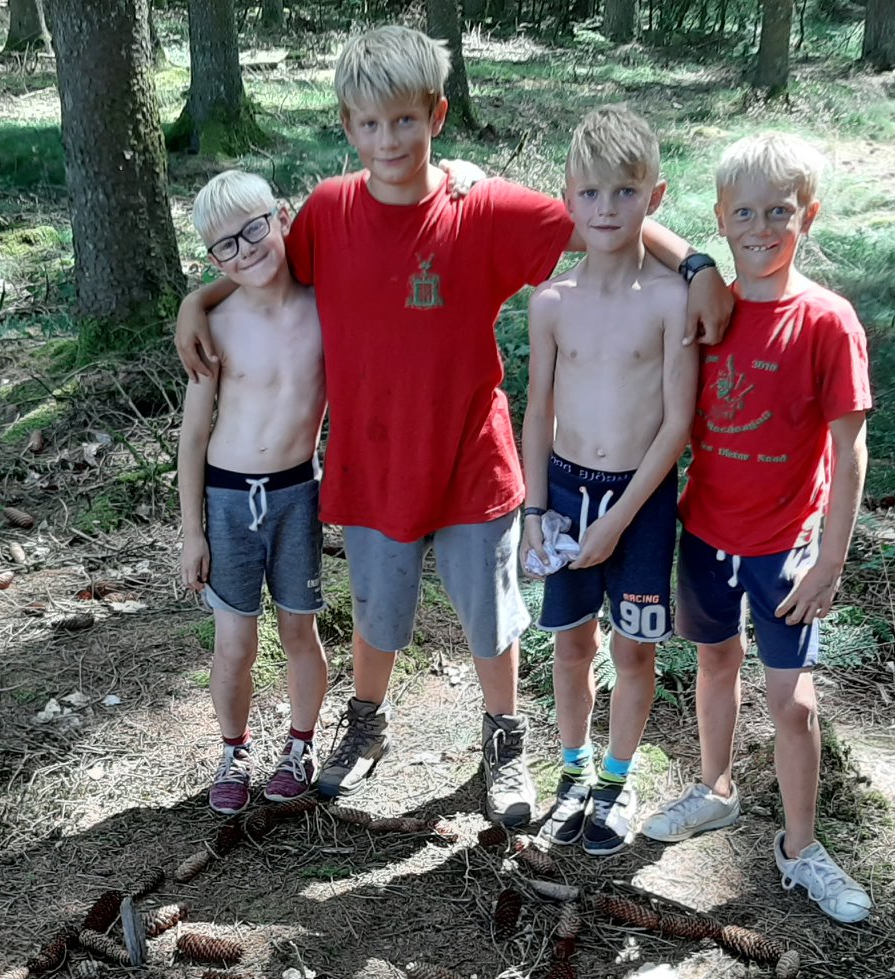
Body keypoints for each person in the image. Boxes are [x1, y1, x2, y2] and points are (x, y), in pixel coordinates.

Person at [175, 25, 731, 827]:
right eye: (369, 124)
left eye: (405, 119)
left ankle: (502, 738)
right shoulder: (330, 212)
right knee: (377, 611)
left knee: (490, 616)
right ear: (347, 126)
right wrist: (199, 300)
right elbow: (260, 271)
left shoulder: (486, 209)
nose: (388, 139)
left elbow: (601, 219)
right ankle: (365, 724)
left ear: (437, 114)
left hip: (473, 461)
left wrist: (696, 263)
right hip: (373, 464)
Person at [639, 133, 874, 923]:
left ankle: (801, 848)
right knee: (714, 664)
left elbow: (850, 450)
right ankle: (715, 789)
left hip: (786, 547)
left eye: (779, 212)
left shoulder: (827, 321)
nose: (761, 227)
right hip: (705, 533)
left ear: (808, 215)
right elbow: (626, 211)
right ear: (720, 218)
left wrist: (830, 561)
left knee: (794, 704)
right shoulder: (712, 310)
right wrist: (697, 265)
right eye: (744, 212)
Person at [519, 105, 698, 856]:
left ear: (653, 197)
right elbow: (535, 410)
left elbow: (678, 424)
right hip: (563, 491)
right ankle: (572, 771)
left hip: (642, 502)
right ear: (567, 194)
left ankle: (616, 783)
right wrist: (533, 510)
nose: (605, 209)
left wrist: (620, 519)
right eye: (589, 193)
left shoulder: (670, 299)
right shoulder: (551, 302)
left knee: (633, 650)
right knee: (570, 644)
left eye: (624, 192)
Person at [177, 169, 329, 813]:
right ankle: (233, 750)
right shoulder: (217, 324)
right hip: (229, 499)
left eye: (254, 230)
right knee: (235, 642)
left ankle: (299, 743)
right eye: (225, 248)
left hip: (298, 494)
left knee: (300, 629)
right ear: (212, 260)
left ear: (283, 216)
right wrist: (191, 530)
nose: (245, 252)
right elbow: (192, 437)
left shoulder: (328, 308)